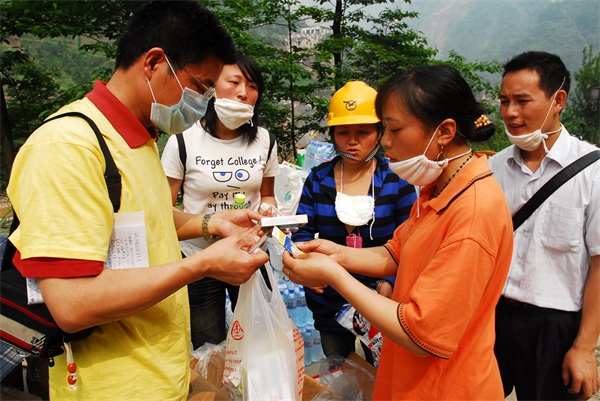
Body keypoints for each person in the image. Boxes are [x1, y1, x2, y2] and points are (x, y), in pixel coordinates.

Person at [5, 1, 269, 400]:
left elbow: (150, 220)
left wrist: (209, 224)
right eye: (200, 86)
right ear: (154, 63)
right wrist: (201, 265)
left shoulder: (140, 138)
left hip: (161, 375)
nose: (203, 102)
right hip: (111, 387)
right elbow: (72, 304)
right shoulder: (69, 147)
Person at [283, 65, 514, 399]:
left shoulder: (473, 212)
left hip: (445, 387)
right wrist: (337, 253)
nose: (385, 142)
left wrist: (334, 273)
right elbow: (395, 252)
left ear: (444, 132)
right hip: (408, 378)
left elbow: (420, 332)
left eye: (392, 129)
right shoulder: (437, 189)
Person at [490, 51, 600, 400]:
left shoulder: (593, 172)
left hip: (555, 327)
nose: (510, 112)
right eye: (504, 101)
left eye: (523, 101)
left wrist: (583, 348)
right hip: (492, 318)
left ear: (558, 100)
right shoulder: (493, 168)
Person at [291, 81, 416, 365]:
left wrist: (389, 281)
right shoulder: (319, 179)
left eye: (363, 131)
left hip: (382, 301)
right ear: (333, 134)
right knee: (339, 372)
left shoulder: (396, 180)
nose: (352, 141)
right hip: (331, 303)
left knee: (384, 374)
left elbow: (410, 240)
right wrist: (307, 267)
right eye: (343, 132)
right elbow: (303, 231)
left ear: (379, 133)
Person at [161, 54, 279, 349]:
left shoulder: (265, 141)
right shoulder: (183, 140)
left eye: (252, 86)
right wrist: (211, 226)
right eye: (235, 82)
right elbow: (161, 211)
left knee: (257, 341)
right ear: (213, 88)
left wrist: (269, 209)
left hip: (249, 254)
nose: (243, 92)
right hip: (200, 259)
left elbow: (267, 193)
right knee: (207, 346)